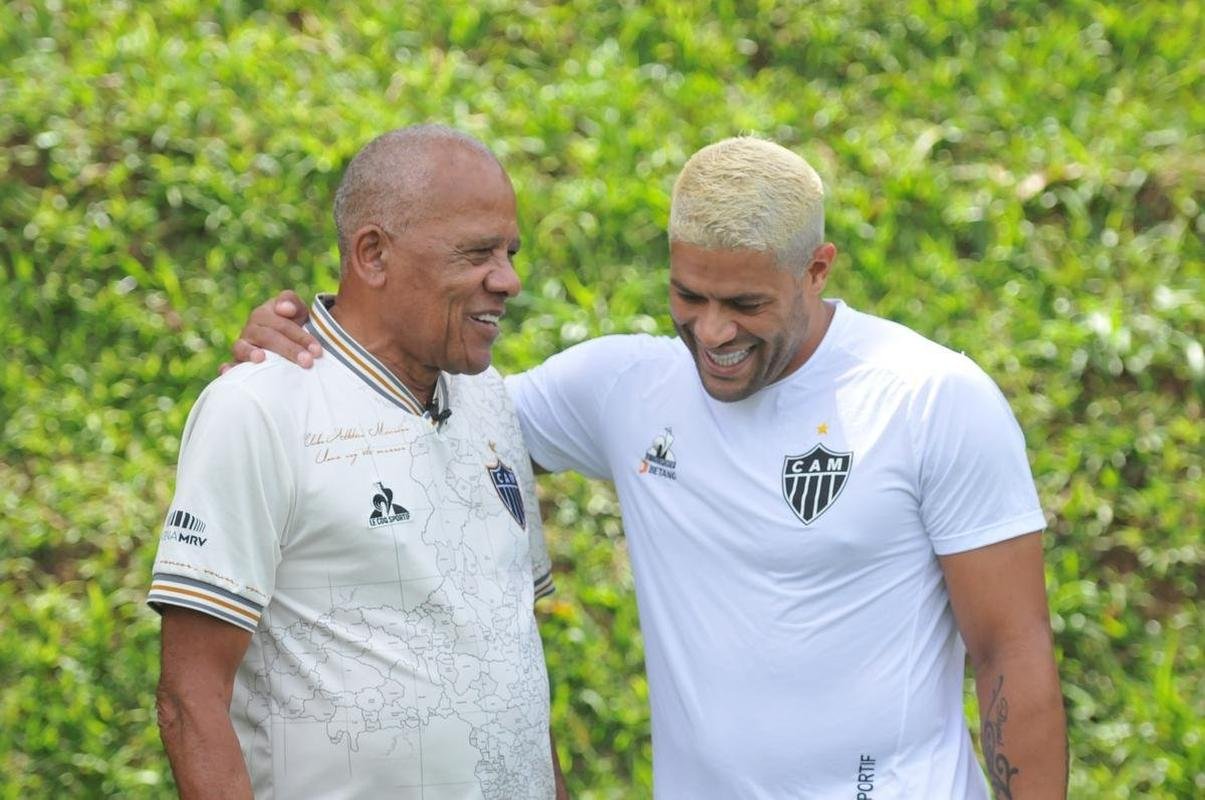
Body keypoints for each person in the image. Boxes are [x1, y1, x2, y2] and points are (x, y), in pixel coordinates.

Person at [233, 136, 1068, 798]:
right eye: (687, 297)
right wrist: (308, 353)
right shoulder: (625, 386)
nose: (711, 333)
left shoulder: (930, 398)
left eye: (744, 305)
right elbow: (428, 414)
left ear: (816, 270)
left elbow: (1011, 648)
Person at [150, 125, 567, 799]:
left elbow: (512, 656)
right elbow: (188, 698)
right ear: (372, 254)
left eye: (511, 252)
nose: (510, 280)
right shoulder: (260, 409)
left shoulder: (490, 400)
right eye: (478, 253)